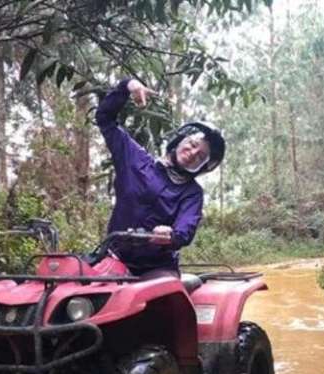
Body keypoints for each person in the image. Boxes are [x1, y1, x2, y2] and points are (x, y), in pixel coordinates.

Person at [95, 78, 226, 278]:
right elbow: (105, 119)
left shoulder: (192, 193)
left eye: (200, 156)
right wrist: (127, 86)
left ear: (203, 167)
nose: (192, 153)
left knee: (161, 298)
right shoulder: (136, 160)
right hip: (113, 258)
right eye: (192, 144)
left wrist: (171, 235)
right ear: (180, 141)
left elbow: (185, 230)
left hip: (157, 269)